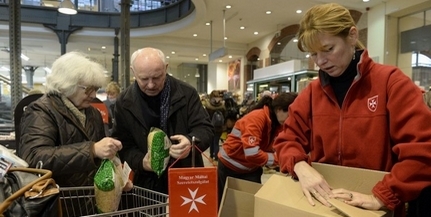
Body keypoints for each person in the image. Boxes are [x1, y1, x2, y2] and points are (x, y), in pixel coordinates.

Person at [273, 3, 431, 217]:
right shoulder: (311, 93)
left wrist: (383, 195)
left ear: (352, 36)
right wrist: (299, 165)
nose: (321, 61)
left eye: (328, 49)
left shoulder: (390, 83)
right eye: (313, 54)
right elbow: (286, 139)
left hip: (378, 209)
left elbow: (422, 150)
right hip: (325, 206)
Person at [111, 47, 214, 194]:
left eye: (157, 77)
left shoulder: (186, 93)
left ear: (166, 68)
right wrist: (141, 162)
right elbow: (123, 144)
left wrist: (190, 142)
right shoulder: (124, 102)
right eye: (144, 79)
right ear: (134, 72)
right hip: (145, 184)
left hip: (185, 178)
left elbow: (205, 129)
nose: (151, 85)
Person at [18, 51, 124, 187]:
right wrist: (91, 150)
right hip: (59, 202)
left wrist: (117, 177)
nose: (93, 95)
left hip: (89, 201)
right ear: (67, 84)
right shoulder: (41, 111)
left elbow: (100, 159)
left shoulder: (93, 113)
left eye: (96, 89)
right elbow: (34, 158)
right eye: (88, 89)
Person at [217, 92, 297, 206]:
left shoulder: (277, 124)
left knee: (251, 206)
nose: (289, 121)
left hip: (251, 168)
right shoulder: (257, 118)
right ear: (279, 109)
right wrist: (278, 160)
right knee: (227, 206)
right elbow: (252, 153)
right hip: (229, 166)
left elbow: (279, 145)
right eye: (289, 116)